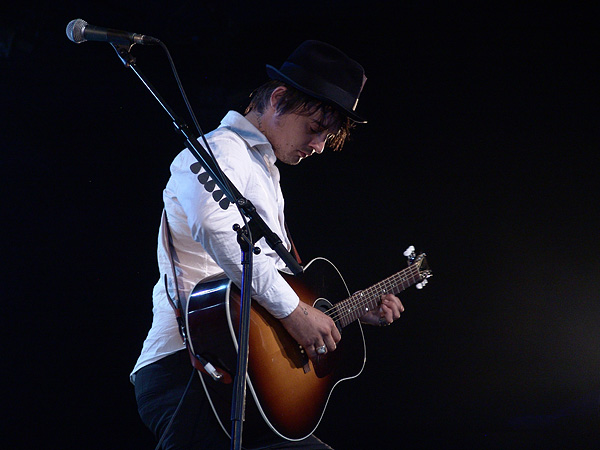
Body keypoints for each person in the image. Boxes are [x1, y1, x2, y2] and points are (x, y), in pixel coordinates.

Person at [131, 40, 404, 449]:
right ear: (277, 99)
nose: (318, 147)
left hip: (242, 372)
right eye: (315, 129)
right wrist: (295, 311)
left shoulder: (265, 175)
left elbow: (267, 287)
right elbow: (217, 229)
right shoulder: (220, 150)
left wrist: (343, 311)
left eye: (327, 138)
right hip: (191, 369)